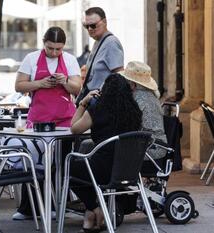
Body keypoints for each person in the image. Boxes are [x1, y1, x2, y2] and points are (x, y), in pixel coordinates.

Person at [12, 26, 81, 220]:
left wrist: (65, 81)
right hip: (39, 119)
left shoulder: (70, 60)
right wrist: (40, 83)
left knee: (60, 163)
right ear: (44, 43)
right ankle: (28, 208)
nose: (54, 53)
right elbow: (19, 85)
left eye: (58, 49)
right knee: (35, 164)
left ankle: (58, 205)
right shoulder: (31, 59)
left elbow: (77, 88)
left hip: (65, 119)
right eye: (50, 48)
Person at [70, 73, 142, 232]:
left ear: (104, 91)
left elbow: (74, 128)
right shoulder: (135, 111)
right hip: (127, 170)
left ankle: (96, 209)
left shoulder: (97, 109)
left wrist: (83, 103)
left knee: (65, 168)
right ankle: (90, 216)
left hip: (102, 170)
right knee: (85, 171)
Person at [120, 61, 167, 169]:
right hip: (158, 148)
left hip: (149, 151)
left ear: (133, 84)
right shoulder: (151, 96)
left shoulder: (137, 99)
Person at [76, 7, 124, 104]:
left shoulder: (111, 43)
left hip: (103, 102)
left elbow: (119, 76)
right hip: (94, 100)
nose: (89, 29)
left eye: (93, 25)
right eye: (86, 26)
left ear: (105, 22)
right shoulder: (98, 41)